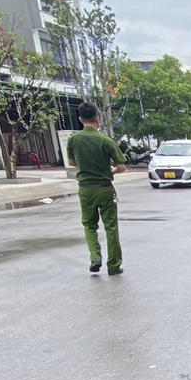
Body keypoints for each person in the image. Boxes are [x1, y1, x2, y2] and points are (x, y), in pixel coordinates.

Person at [66, 101, 127, 275]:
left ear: (80, 119)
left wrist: (86, 166)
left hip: (85, 189)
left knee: (89, 225)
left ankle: (95, 257)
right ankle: (114, 265)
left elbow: (71, 162)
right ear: (97, 119)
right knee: (111, 227)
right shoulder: (105, 141)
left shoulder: (74, 140)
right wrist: (111, 171)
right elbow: (121, 166)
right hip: (104, 188)